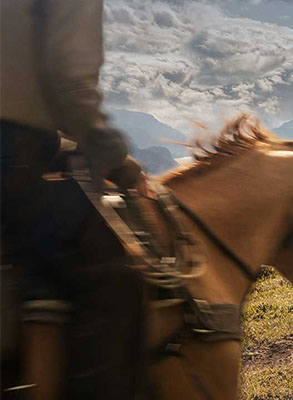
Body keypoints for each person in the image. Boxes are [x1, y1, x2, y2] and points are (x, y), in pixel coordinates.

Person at [2, 0, 145, 398]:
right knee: (116, 273)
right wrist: (119, 162)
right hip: (12, 149)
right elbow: (69, 81)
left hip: (23, 145)